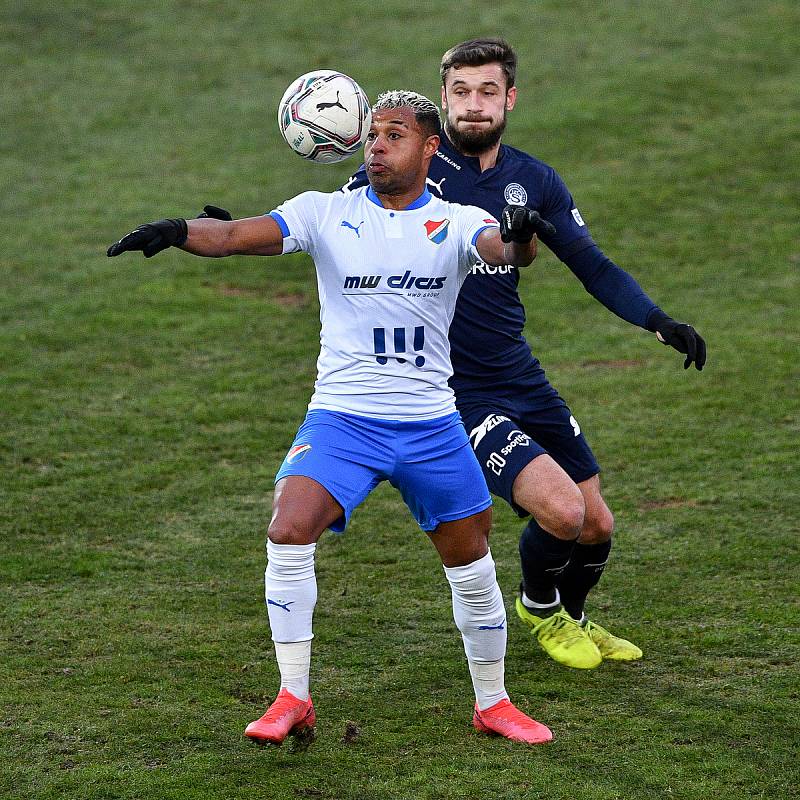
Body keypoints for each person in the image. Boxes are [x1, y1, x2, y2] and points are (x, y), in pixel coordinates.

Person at [107, 90, 557, 745]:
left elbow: (505, 249)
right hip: (343, 422)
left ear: (430, 149)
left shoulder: (457, 222)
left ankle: (493, 702)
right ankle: (293, 696)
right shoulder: (325, 213)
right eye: (372, 135)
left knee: (471, 562)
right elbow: (235, 234)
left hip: (432, 425)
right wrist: (178, 231)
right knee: (289, 527)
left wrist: (519, 236)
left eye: (394, 136)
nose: (376, 146)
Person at [345, 39, 707, 670]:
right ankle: (539, 611)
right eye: (460, 92)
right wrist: (240, 227)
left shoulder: (534, 182)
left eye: (487, 92)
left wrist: (657, 320)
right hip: (454, 391)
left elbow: (592, 265)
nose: (473, 106)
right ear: (443, 100)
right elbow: (321, 222)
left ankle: (575, 616)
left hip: (519, 374)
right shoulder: (407, 173)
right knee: (562, 510)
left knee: (597, 524)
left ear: (509, 98)